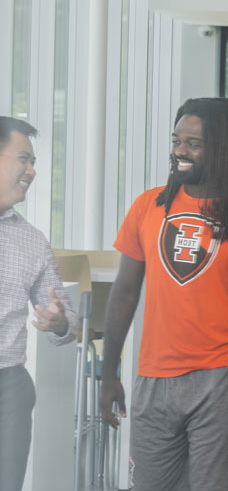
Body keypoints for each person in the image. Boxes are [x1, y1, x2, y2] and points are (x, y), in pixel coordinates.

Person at [99, 98, 228, 491]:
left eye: (194, 143)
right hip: (153, 376)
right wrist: (109, 370)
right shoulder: (148, 207)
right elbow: (125, 291)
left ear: (223, 150)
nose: (180, 150)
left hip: (222, 376)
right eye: (176, 140)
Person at [0, 116, 80, 491]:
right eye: (23, 159)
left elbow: (68, 319)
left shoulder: (32, 241)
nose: (32, 171)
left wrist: (61, 322)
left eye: (34, 162)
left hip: (9, 388)